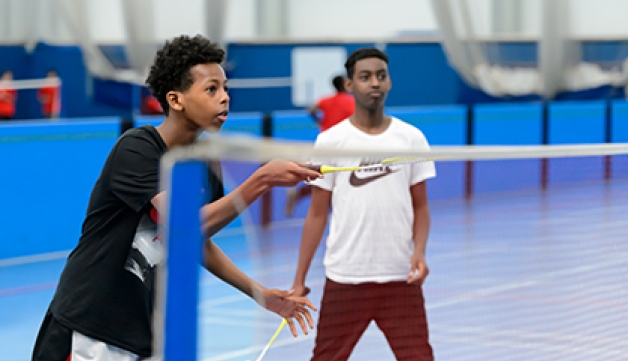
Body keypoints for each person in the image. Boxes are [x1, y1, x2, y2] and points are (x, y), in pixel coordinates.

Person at [32, 35, 321, 361]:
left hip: (144, 333)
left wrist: (259, 293)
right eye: (211, 89)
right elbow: (185, 223)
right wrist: (262, 179)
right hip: (90, 328)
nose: (225, 98)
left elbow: (194, 241)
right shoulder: (137, 148)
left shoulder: (207, 166)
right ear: (176, 99)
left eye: (226, 88)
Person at [291, 48, 436, 361]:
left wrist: (419, 252)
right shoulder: (331, 142)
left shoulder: (411, 139)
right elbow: (317, 213)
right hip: (346, 278)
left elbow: (421, 207)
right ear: (349, 85)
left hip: (399, 278)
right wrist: (299, 280)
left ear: (390, 82)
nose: (374, 83)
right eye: (365, 77)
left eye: (381, 76)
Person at [284, 75, 354, 216]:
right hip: (341, 145)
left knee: (322, 176)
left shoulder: (326, 100)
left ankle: (299, 193)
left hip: (324, 143)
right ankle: (337, 212)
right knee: (339, 178)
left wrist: (318, 121)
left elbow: (311, 109)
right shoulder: (350, 102)